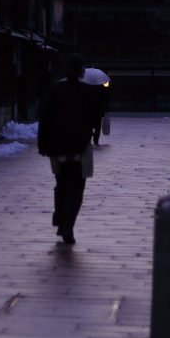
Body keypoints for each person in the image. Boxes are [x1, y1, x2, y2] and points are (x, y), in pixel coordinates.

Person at [37, 53, 101, 244]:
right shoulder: (89, 92)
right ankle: (68, 225)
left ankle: (60, 215)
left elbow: (45, 119)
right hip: (80, 147)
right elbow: (96, 119)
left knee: (62, 184)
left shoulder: (54, 89)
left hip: (57, 146)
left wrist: (42, 144)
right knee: (77, 188)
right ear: (82, 70)